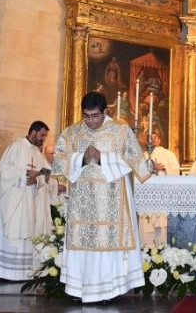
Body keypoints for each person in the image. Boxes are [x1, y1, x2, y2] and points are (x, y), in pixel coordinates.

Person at [52, 92, 150, 304]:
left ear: (105, 111)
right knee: (82, 244)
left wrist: (102, 157)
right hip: (82, 204)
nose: (90, 121)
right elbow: (59, 161)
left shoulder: (121, 131)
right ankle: (79, 290)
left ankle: (108, 292)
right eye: (86, 116)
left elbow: (136, 161)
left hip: (110, 202)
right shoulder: (72, 132)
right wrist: (81, 159)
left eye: (95, 116)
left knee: (106, 246)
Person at [0, 121, 51, 280]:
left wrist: (38, 179)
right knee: (12, 233)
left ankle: (20, 274)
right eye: (42, 135)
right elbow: (4, 173)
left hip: (28, 202)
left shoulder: (37, 152)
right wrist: (26, 173)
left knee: (26, 234)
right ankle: (3, 273)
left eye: (45, 136)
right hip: (12, 201)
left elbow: (43, 176)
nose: (43, 139)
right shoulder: (15, 147)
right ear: (33, 132)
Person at [139, 130, 180, 247]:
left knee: (162, 227)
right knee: (147, 229)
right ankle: (146, 252)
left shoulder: (168, 154)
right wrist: (151, 167)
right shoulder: (142, 157)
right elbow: (137, 176)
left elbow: (175, 171)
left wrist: (162, 169)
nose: (151, 140)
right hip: (147, 199)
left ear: (160, 140)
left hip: (163, 196)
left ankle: (163, 252)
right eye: (149, 138)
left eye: (154, 137)